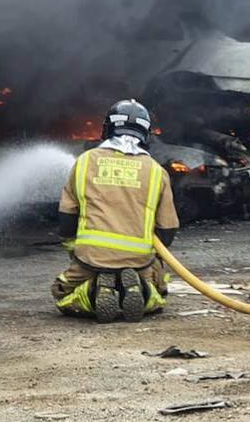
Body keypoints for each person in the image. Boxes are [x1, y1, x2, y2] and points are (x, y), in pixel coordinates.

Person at [53, 99, 179, 322]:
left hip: (90, 259)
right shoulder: (156, 171)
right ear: (146, 133)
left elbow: (67, 217)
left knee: (62, 294)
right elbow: (167, 229)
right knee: (159, 295)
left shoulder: (85, 161)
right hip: (139, 261)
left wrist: (76, 251)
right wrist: (152, 259)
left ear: (107, 128)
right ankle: (141, 289)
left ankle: (94, 291)